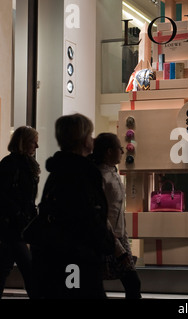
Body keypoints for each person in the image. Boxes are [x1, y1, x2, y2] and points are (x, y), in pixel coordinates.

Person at [29, 114, 114, 299]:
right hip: (77, 257)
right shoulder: (82, 173)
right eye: (90, 135)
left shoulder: (58, 171)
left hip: (57, 255)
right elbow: (86, 215)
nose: (92, 139)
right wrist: (102, 241)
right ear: (83, 140)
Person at [91, 133, 141, 299]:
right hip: (108, 238)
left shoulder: (113, 173)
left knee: (131, 282)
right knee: (130, 282)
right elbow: (101, 213)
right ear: (108, 151)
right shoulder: (100, 176)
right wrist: (117, 244)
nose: (122, 151)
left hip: (118, 237)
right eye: (119, 148)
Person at [0, 126, 40, 299]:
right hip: (12, 226)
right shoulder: (11, 165)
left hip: (18, 225)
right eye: (33, 142)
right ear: (23, 142)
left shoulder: (28, 165)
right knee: (28, 268)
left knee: (4, 267)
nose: (36, 146)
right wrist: (19, 214)